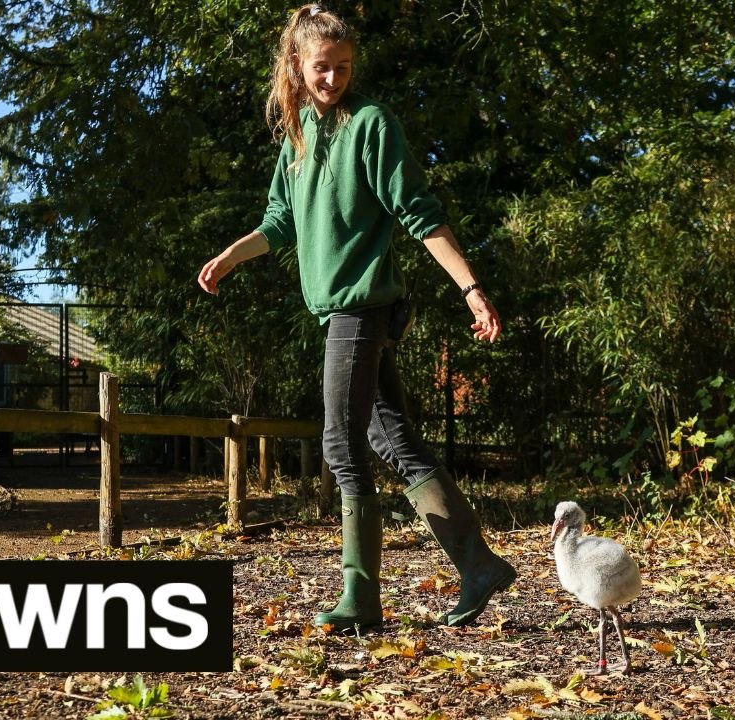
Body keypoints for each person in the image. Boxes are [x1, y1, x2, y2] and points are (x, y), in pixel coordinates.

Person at [196, 3, 515, 631]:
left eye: (344, 67)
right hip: (341, 312)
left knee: (342, 445)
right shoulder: (298, 135)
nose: (333, 79)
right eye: (322, 67)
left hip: (361, 308)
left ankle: (360, 597)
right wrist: (232, 257)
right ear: (296, 63)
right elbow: (280, 222)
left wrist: (471, 288)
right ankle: (478, 564)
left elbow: (418, 213)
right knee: (390, 438)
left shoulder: (371, 124)